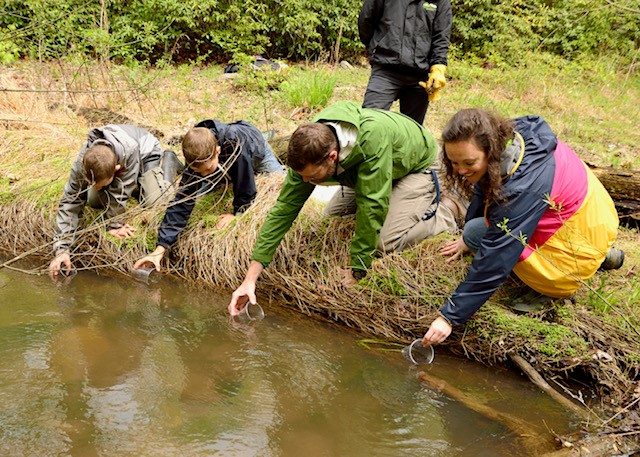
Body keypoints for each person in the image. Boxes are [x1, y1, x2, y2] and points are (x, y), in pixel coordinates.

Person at [228, 100, 459, 316]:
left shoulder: (371, 142)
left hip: (417, 164)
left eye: (311, 177)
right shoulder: (312, 144)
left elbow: (372, 207)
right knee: (332, 215)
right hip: (374, 166)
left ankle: (449, 211)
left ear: (332, 156)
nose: (306, 182)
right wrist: (250, 279)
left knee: (384, 241)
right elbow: (284, 209)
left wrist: (358, 268)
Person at [422, 109, 621, 345]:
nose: (461, 171)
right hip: (594, 222)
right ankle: (599, 256)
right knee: (474, 231)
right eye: (454, 162)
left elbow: (496, 260)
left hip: (574, 248)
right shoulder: (517, 134)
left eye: (469, 162)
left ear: (491, 152)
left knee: (479, 234)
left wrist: (449, 317)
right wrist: (466, 235)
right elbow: (483, 186)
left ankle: (552, 285)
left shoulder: (520, 190)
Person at [133, 119, 284, 271]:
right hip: (222, 160)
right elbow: (183, 201)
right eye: (200, 172)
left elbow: (245, 184)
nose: (204, 175)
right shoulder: (197, 153)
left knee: (281, 183)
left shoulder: (237, 146)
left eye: (207, 170)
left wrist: (238, 214)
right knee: (201, 192)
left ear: (217, 151)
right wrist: (160, 248)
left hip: (256, 150)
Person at [49, 124, 181, 277]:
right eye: (92, 183)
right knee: (93, 200)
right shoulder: (82, 162)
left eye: (100, 184)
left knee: (154, 200)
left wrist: (113, 224)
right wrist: (62, 249)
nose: (96, 188)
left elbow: (121, 190)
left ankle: (169, 161)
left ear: (116, 169)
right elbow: (70, 201)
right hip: (121, 163)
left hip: (145, 153)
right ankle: (142, 183)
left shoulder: (129, 151)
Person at [358, 0, 452, 124]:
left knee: (413, 131)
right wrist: (377, 46)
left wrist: (438, 68)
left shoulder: (440, 1)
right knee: (369, 123)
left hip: (419, 77)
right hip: (385, 70)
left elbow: (441, 37)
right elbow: (366, 20)